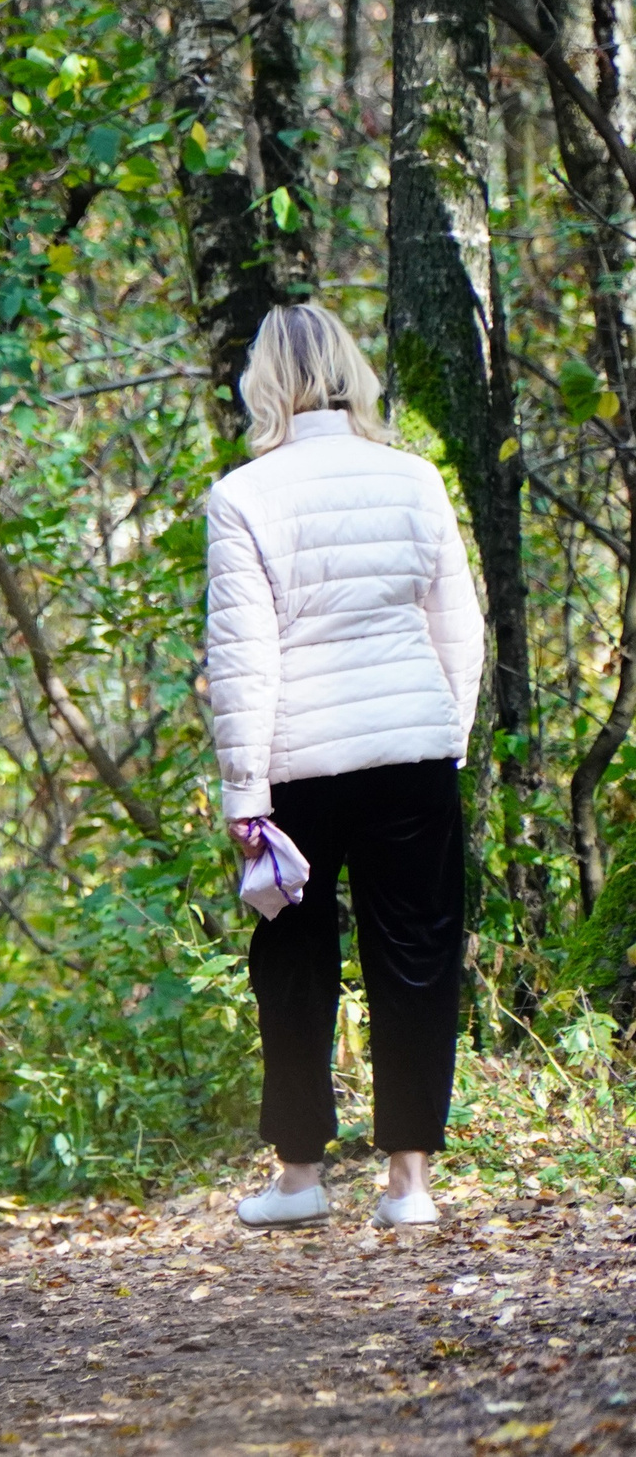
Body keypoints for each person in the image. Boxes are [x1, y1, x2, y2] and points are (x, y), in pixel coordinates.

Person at [204, 302, 484, 1229]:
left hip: (298, 768)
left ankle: (299, 1177)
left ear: (267, 383)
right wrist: (450, 735)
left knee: (292, 963)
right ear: (352, 373)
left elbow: (245, 656)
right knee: (415, 956)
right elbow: (461, 627)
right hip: (411, 751)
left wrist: (245, 794)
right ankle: (410, 1184)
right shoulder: (416, 478)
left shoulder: (244, 494)